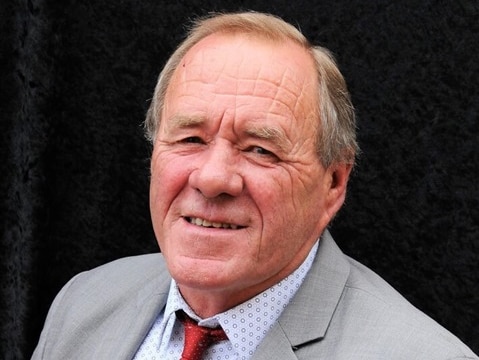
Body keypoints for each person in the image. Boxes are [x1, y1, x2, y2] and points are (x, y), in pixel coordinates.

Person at [32, 11, 477, 360]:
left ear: (334, 184)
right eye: (190, 138)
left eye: (260, 149)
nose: (211, 179)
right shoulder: (82, 304)